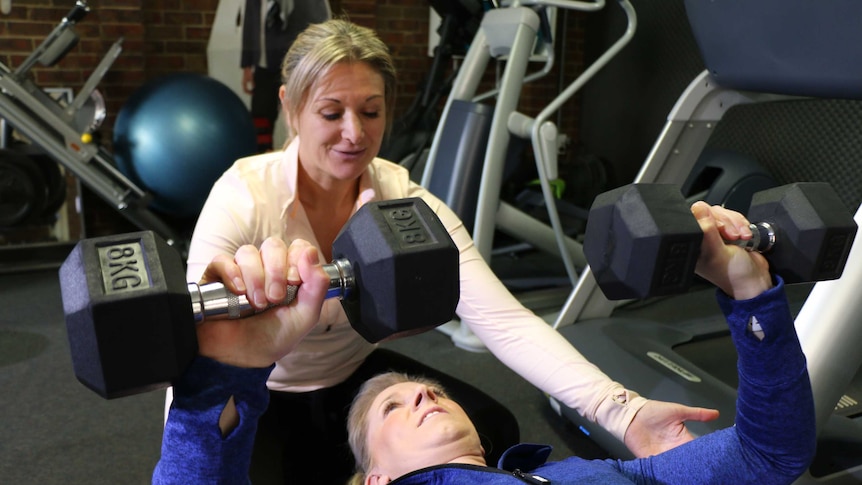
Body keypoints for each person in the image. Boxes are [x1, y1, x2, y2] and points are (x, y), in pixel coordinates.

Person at [174, 18, 719, 484]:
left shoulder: (405, 204)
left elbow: (504, 321)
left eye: (370, 111)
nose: (353, 133)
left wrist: (621, 413)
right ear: (291, 108)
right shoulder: (243, 195)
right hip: (267, 391)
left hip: (358, 381)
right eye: (331, 111)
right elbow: (199, 350)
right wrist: (193, 444)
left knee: (492, 429)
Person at [152, 202, 816, 484]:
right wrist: (229, 369)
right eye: (392, 408)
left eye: (430, 387)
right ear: (374, 478)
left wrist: (749, 292)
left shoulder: (589, 473)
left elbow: (768, 455)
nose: (421, 389)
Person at [241, 0, 331, 152]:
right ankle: (263, 153)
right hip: (265, 63)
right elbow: (250, 23)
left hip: (300, 64)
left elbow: (319, 26)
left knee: (301, 110)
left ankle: (302, 152)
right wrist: (247, 64)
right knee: (261, 112)